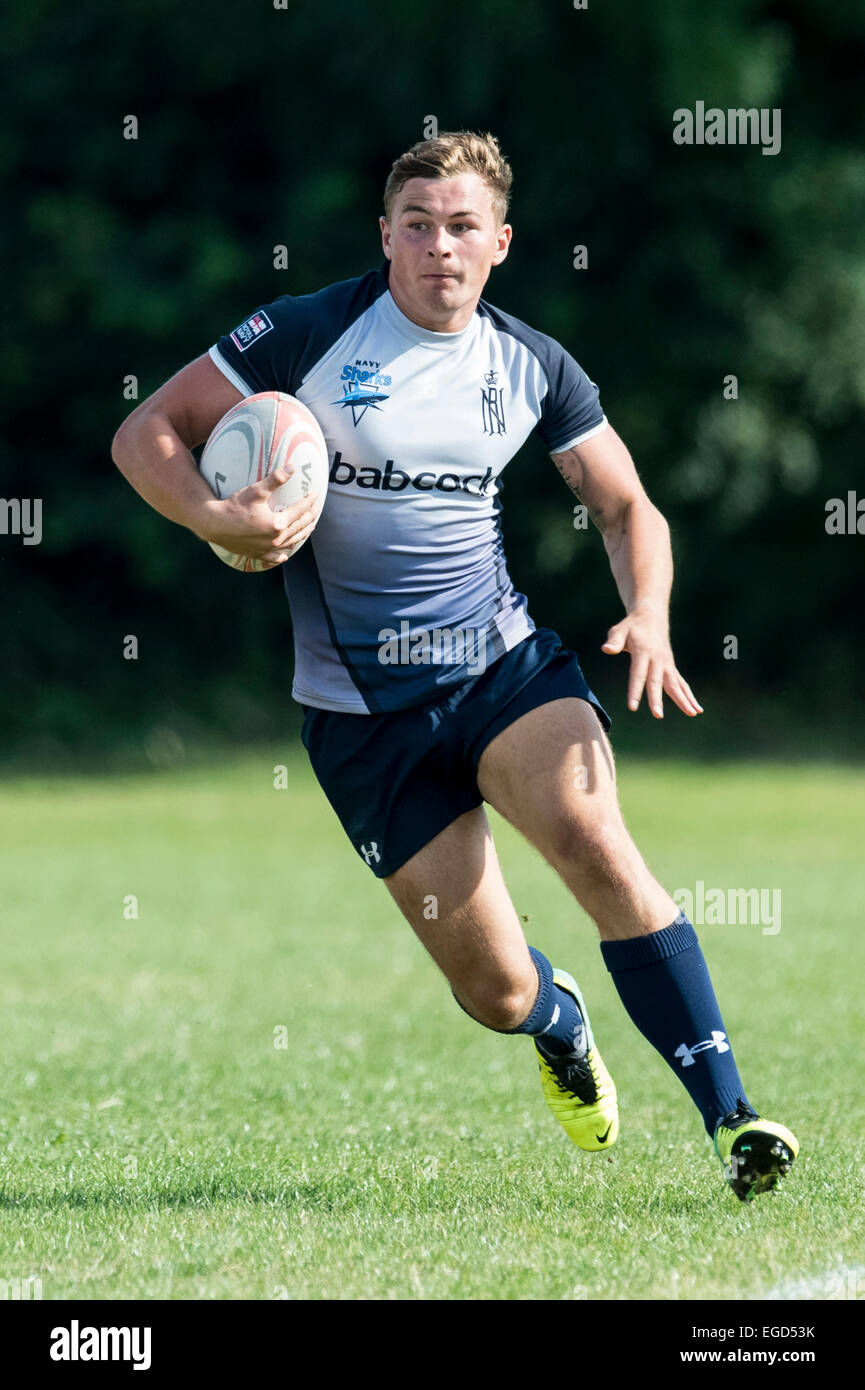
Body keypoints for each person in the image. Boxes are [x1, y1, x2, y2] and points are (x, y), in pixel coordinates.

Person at [112, 130, 797, 1201]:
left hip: (502, 669)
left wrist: (649, 614)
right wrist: (216, 516)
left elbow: (624, 505)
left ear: (501, 243)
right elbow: (147, 428)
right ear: (385, 235)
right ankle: (556, 1019)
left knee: (596, 842)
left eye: (462, 226)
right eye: (418, 225)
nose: (440, 245)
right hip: (362, 718)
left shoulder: (529, 365)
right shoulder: (309, 332)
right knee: (490, 989)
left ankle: (734, 1121)